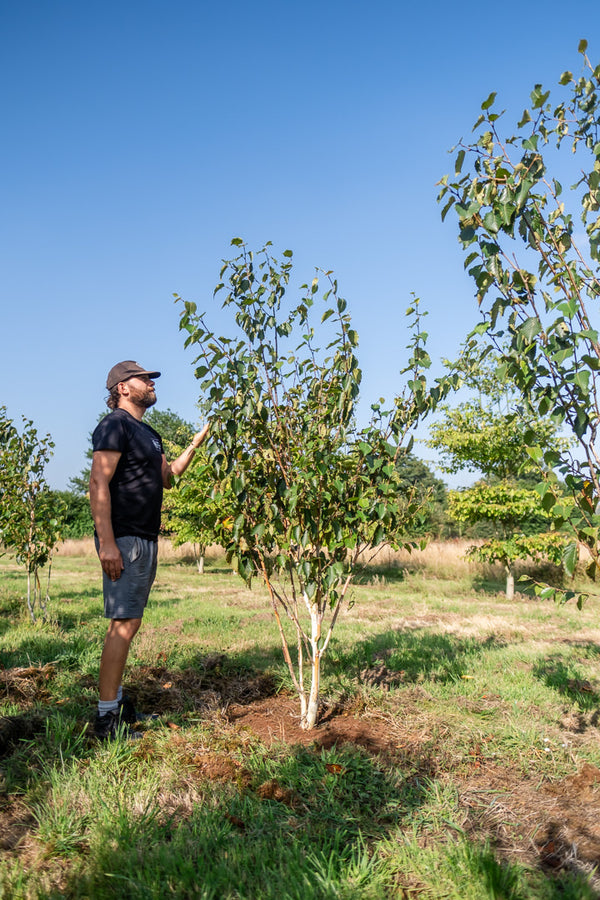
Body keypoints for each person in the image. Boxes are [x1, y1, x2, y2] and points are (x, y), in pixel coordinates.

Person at [89, 360, 209, 740]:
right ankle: (107, 719)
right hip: (123, 538)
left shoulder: (149, 433)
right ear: (123, 387)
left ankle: (118, 704)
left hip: (144, 538)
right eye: (144, 379)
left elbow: (168, 477)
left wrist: (194, 444)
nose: (151, 384)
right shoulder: (114, 425)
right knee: (123, 624)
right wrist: (107, 543)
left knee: (131, 621)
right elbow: (98, 482)